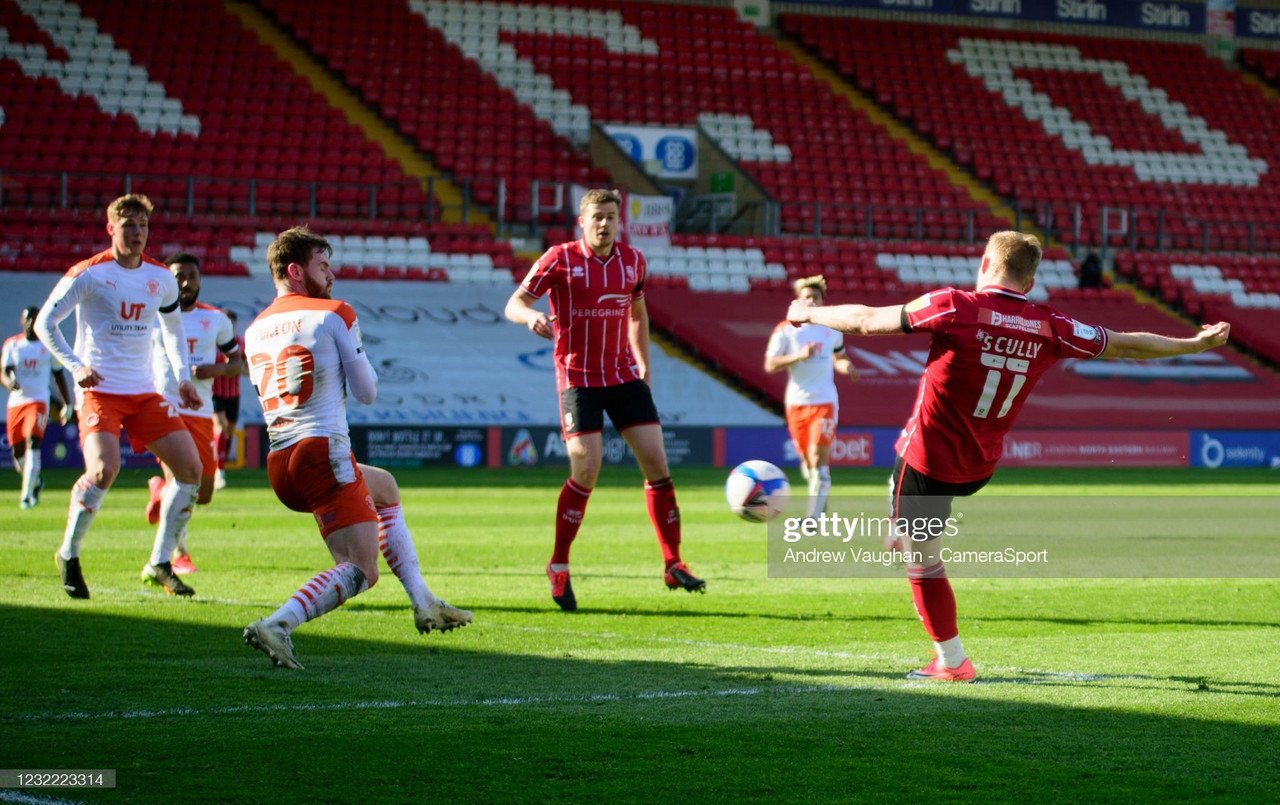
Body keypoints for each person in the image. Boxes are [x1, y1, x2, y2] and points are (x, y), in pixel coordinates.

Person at [786, 231, 1230, 683]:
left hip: (929, 458)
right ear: (1031, 281)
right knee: (911, 528)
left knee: (920, 560)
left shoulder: (954, 305)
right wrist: (1192, 345)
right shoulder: (1051, 324)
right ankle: (901, 529)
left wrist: (807, 312)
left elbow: (863, 321)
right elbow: (1125, 343)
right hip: (979, 464)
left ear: (984, 264)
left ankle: (952, 662)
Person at [242, 226, 471, 670]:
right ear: (295, 270)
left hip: (280, 461)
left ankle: (424, 601)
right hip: (322, 450)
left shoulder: (253, 329)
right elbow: (367, 392)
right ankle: (279, 623)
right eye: (322, 265)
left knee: (384, 487)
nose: (331, 274)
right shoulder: (333, 313)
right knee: (361, 570)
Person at [504, 188, 705, 612]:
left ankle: (673, 561)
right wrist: (532, 316)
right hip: (577, 378)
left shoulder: (633, 262)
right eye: (597, 216)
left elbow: (637, 314)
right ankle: (558, 565)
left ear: (619, 221)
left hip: (622, 375)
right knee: (587, 466)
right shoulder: (559, 258)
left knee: (657, 463)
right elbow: (514, 303)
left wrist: (644, 363)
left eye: (611, 217)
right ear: (583, 221)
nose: (605, 224)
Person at [35, 194, 204, 599]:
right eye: (128, 225)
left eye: (143, 225)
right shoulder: (90, 274)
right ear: (110, 229)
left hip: (143, 392)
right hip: (99, 391)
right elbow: (45, 323)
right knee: (102, 471)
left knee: (191, 470)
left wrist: (182, 378)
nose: (137, 232)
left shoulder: (161, 278)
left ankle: (160, 563)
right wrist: (76, 366)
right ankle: (68, 554)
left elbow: (172, 331)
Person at [142, 254, 243, 575]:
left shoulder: (215, 320)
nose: (185, 283)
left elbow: (238, 363)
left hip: (200, 411)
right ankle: (176, 555)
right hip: (163, 408)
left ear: (200, 280)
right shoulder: (151, 316)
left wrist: (213, 369)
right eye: (178, 276)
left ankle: (159, 490)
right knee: (183, 480)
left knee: (205, 493)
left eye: (192, 276)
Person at [764, 276, 858, 519]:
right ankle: (820, 503)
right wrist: (798, 356)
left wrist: (846, 366)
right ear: (799, 300)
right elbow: (770, 364)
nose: (810, 300)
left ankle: (813, 519)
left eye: (814, 297)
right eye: (805, 297)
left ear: (822, 301)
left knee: (818, 459)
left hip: (825, 401)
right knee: (807, 464)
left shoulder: (832, 328)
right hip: (796, 403)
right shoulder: (785, 329)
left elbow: (839, 357)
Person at [3, 306, 73, 508]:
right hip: (17, 402)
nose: (32, 323)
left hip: (39, 400)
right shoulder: (13, 345)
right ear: (22, 321)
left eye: (35, 319)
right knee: (17, 453)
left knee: (33, 442)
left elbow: (59, 375)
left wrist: (67, 403)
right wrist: (9, 383)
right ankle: (36, 481)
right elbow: (4, 372)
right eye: (29, 319)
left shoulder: (47, 347)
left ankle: (26, 496)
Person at [210, 309, 246, 491]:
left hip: (234, 395)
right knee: (220, 427)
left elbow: (247, 368)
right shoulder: (211, 342)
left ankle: (219, 464)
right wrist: (224, 369)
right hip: (215, 393)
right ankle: (218, 472)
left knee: (229, 433)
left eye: (232, 323)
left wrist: (236, 368)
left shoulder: (241, 343)